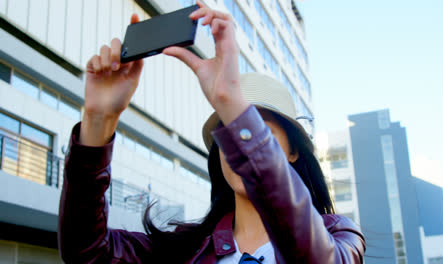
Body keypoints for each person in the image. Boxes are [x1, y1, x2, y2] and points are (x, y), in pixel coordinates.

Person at [58, 1, 365, 263]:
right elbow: (86, 251)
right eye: (230, 136)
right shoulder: (184, 249)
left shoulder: (338, 235)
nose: (242, 150)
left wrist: (229, 103)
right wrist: (99, 119)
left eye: (258, 133)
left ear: (293, 150)